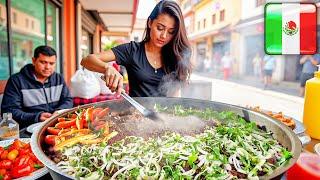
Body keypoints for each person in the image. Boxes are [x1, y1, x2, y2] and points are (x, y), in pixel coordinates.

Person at [81, 0, 192, 97]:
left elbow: (175, 95)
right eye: (160, 28)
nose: (164, 36)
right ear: (150, 23)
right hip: (135, 117)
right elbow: (86, 60)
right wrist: (107, 68)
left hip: (164, 117)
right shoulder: (132, 50)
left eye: (170, 32)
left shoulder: (176, 55)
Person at [1, 46, 73, 128]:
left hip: (56, 125)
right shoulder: (16, 80)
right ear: (34, 61)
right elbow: (9, 111)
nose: (47, 67)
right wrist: (37, 116)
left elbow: (68, 99)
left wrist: (59, 112)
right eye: (43, 62)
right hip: (28, 128)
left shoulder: (58, 78)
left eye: (51, 63)